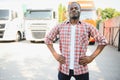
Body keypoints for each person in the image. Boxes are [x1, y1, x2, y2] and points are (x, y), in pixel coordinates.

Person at [45, 2, 107, 80]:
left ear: (80, 11)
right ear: (68, 12)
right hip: (64, 68)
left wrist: (91, 58)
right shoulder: (60, 26)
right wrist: (55, 55)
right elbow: (47, 39)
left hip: (81, 69)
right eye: (71, 8)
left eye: (76, 8)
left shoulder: (87, 26)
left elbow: (103, 41)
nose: (74, 10)